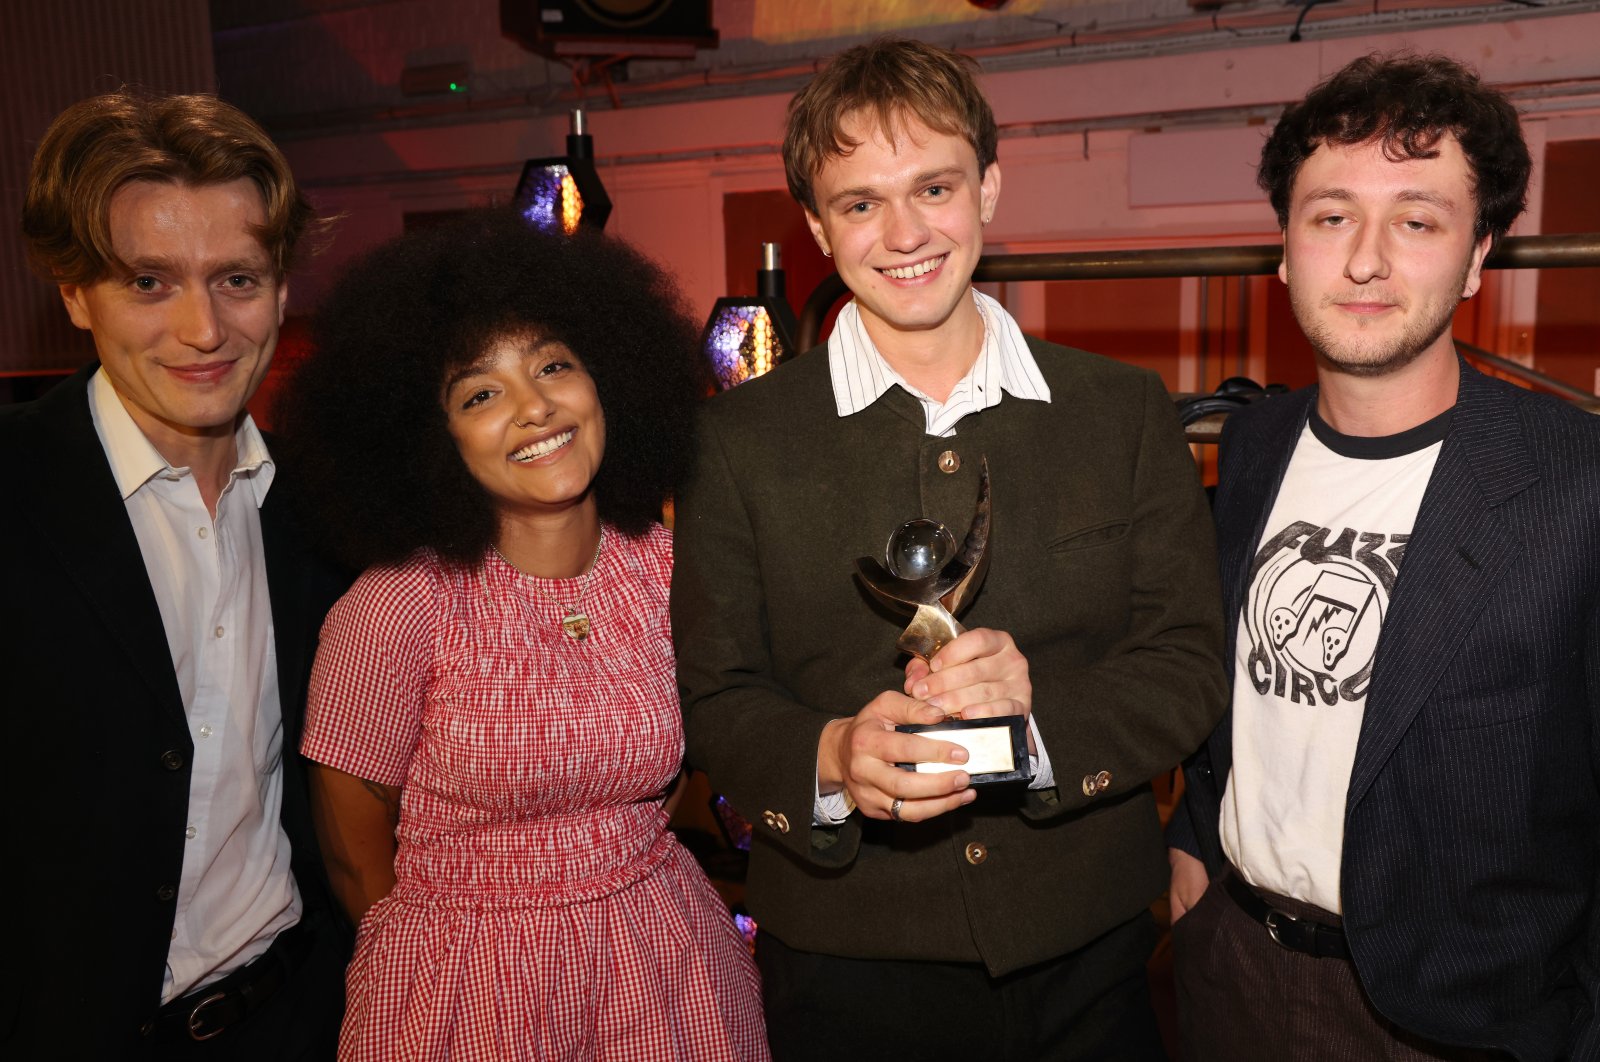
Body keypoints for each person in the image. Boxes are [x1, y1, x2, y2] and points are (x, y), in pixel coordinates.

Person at [672, 37, 1227, 1060]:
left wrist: (1041, 718)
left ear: (989, 189)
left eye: (934, 186)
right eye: (859, 202)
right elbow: (716, 695)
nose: (904, 232)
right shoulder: (733, 441)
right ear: (813, 226)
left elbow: (1190, 661)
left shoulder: (1120, 412)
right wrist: (831, 757)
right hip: (847, 965)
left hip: (1090, 953)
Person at [1167, 53, 1600, 1061]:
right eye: (1329, 216)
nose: (1365, 258)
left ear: (1477, 255)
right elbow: (1231, 687)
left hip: (1461, 1018)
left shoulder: (1576, 487)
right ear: (1282, 249)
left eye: (1415, 219)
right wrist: (1193, 844)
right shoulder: (1253, 443)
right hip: (1231, 965)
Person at [276, 211, 768, 1061]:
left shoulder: (669, 569)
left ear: (608, 376)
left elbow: (704, 752)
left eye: (552, 365)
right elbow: (355, 861)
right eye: (480, 393)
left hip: (669, 970)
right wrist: (455, 973)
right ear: (431, 441)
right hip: (467, 994)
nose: (535, 406)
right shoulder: (397, 608)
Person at [2, 91, 349, 1058]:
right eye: (150, 283)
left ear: (283, 291)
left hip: (295, 1016)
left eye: (237, 278)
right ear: (74, 293)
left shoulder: (328, 517)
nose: (203, 330)